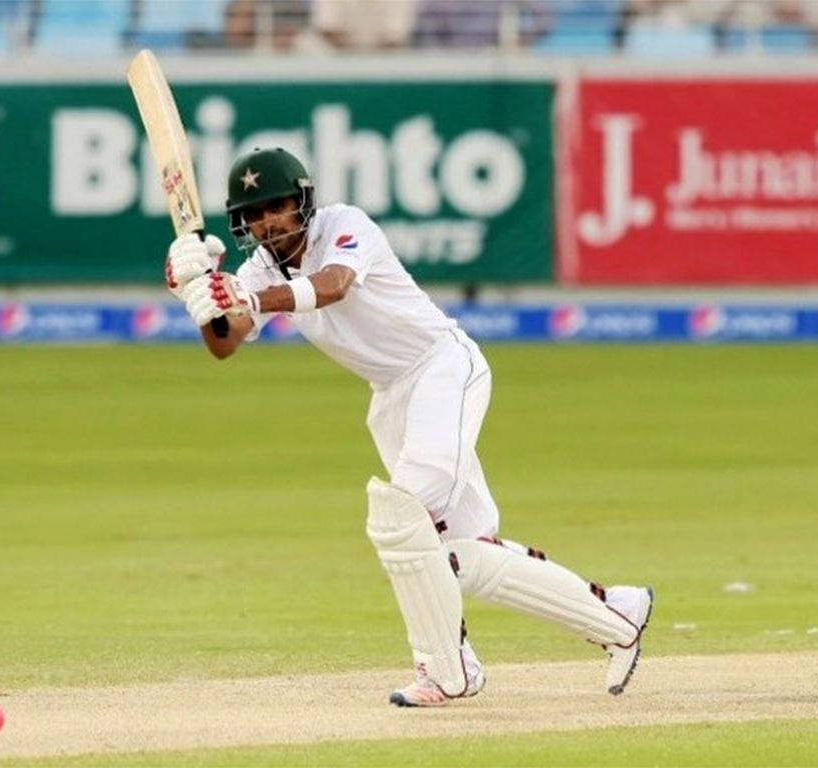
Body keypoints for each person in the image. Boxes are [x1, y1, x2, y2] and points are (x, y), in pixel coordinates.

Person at [164, 147, 654, 706]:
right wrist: (199, 295)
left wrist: (245, 294)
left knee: (403, 519)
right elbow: (225, 343)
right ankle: (618, 614)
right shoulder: (258, 269)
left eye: (277, 205)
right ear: (242, 223)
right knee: (461, 554)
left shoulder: (346, 225)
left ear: (303, 202)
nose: (267, 220)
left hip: (441, 367)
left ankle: (446, 670)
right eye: (254, 213)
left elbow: (334, 284)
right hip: (392, 397)